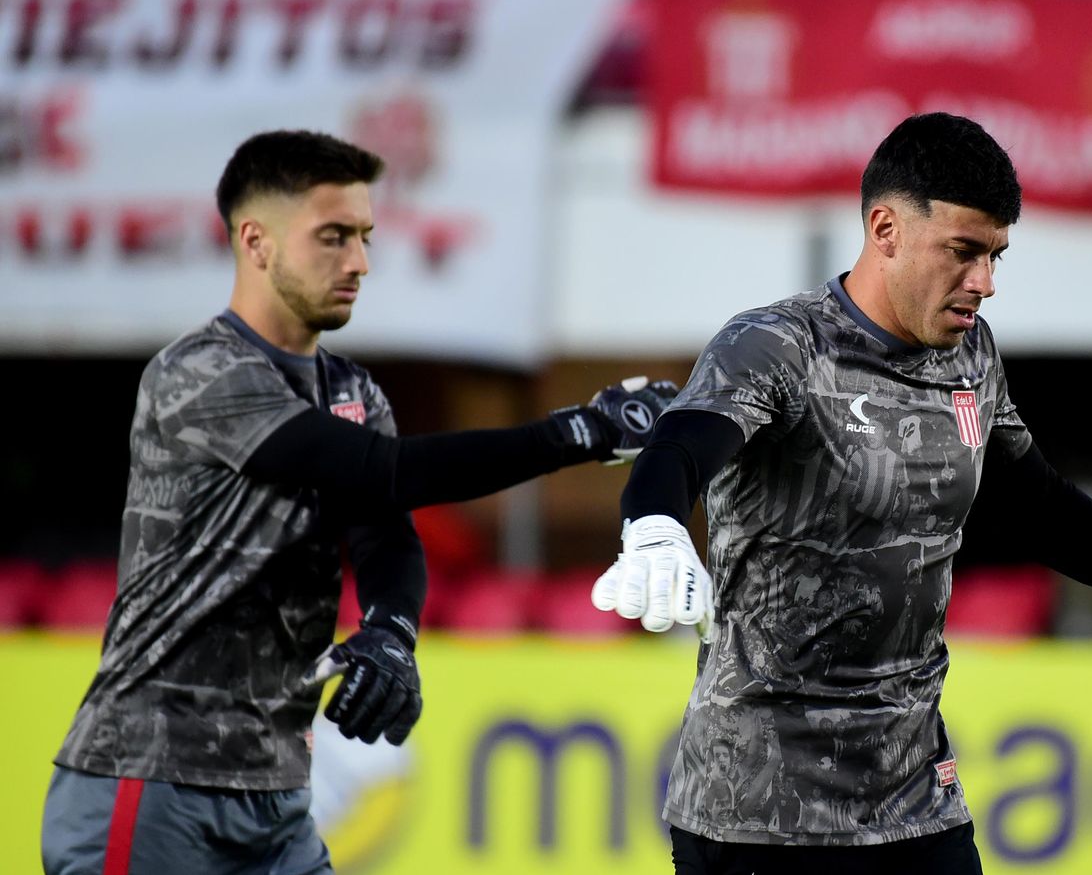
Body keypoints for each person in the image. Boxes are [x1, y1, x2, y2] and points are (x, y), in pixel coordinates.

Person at [589, 112, 1092, 875]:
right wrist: (654, 524)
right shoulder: (778, 345)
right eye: (963, 252)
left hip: (916, 801)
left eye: (995, 255)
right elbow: (682, 443)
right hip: (757, 815)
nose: (985, 282)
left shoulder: (971, 356)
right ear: (886, 229)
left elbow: (1041, 505)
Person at [40, 129, 677, 875]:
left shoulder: (352, 389)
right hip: (149, 780)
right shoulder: (200, 373)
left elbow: (385, 534)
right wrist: (579, 432)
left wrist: (390, 630)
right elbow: (383, 471)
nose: (359, 262)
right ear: (256, 242)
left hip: (276, 796)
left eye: (364, 237)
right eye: (333, 237)